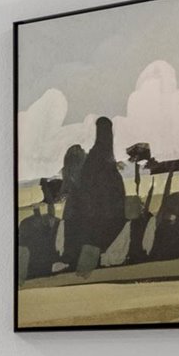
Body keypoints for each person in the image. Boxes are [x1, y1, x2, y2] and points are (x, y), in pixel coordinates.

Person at [62, 116, 125, 275]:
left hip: (86, 226)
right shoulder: (94, 164)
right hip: (100, 222)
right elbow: (103, 145)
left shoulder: (81, 176)